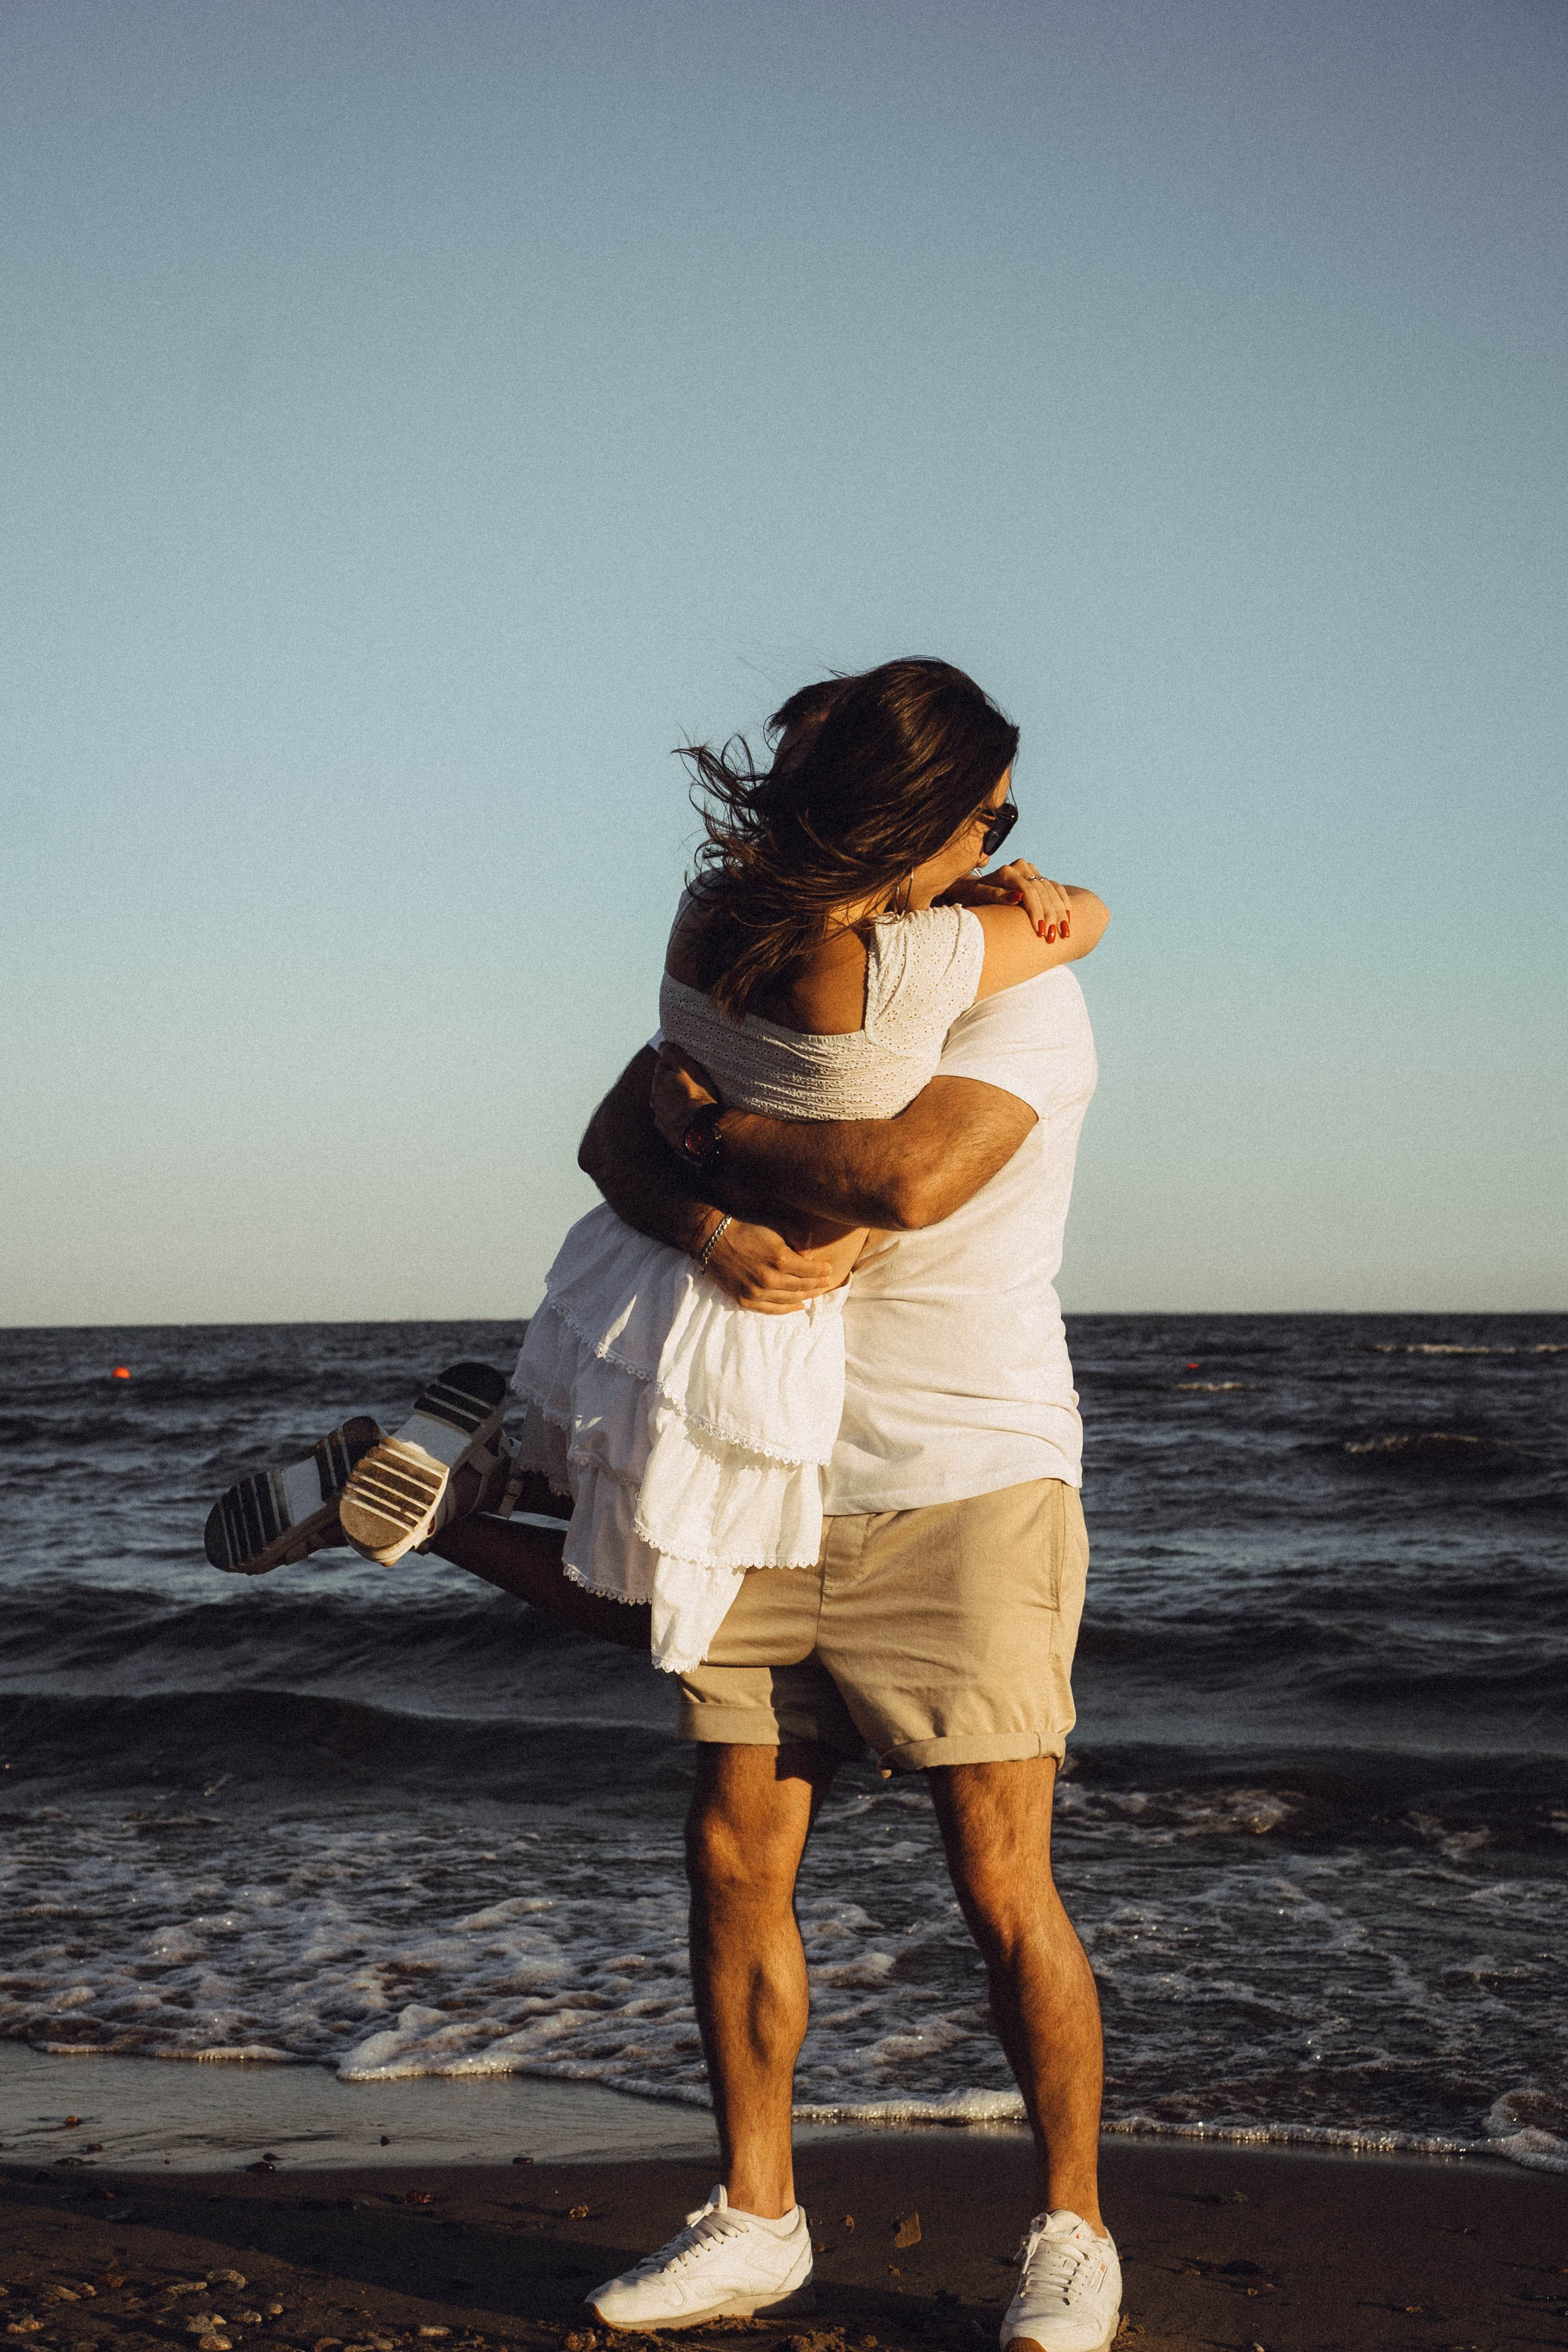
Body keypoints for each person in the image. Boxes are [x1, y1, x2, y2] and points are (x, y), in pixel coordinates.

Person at [203, 657, 1116, 2351]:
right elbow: (614, 1132)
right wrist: (706, 1193)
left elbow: (897, 1183)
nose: (1011, 850)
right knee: (731, 1857)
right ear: (929, 827)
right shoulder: (839, 961)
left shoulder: (1015, 1001)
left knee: (1002, 1881)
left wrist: (703, 1133)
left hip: (968, 1473)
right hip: (777, 1448)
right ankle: (755, 2215)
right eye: (993, 820)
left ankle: (1072, 2232)